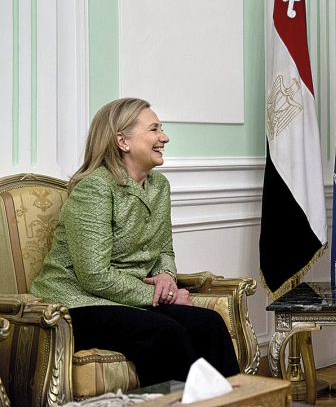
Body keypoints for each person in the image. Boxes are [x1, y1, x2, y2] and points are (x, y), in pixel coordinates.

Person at [30, 97, 239, 386]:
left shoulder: (159, 186)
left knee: (209, 324)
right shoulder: (95, 188)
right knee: (166, 333)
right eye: (154, 130)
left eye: (161, 129)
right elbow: (94, 276)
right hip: (76, 306)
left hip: (128, 299)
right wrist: (165, 295)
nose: (164, 137)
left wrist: (166, 275)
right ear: (122, 141)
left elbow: (164, 249)